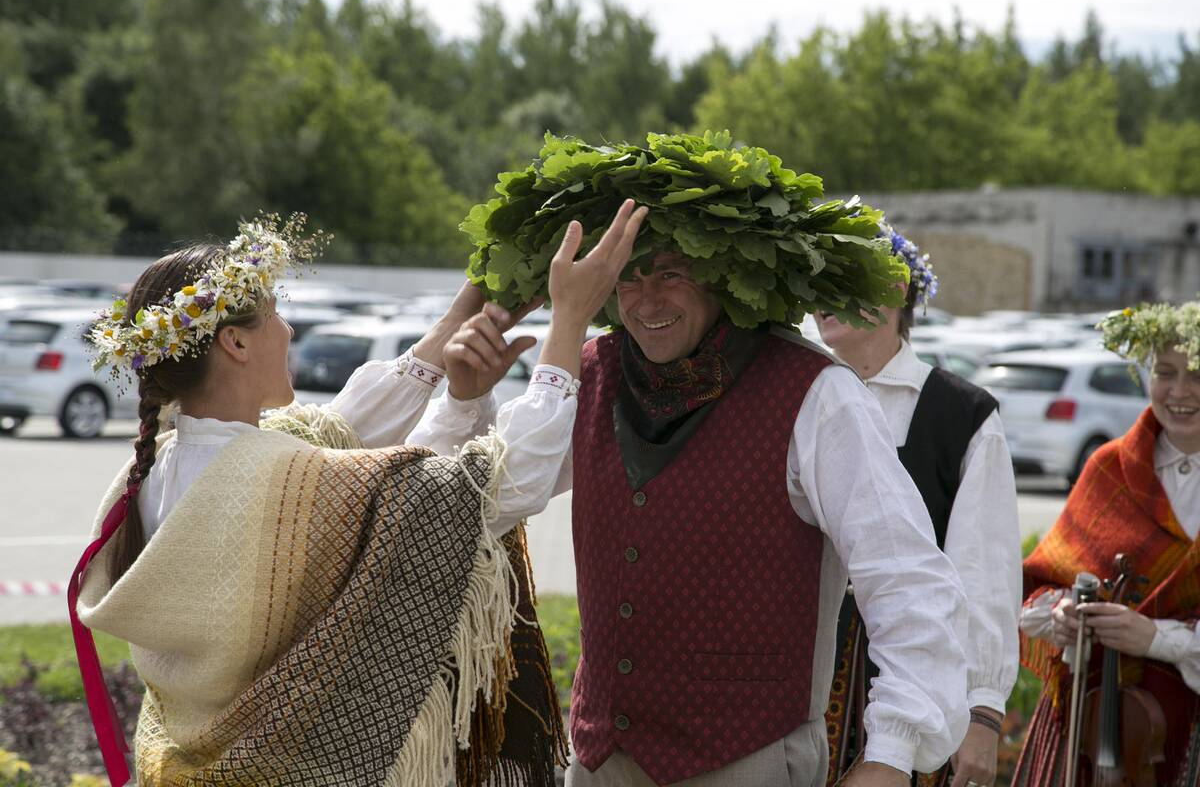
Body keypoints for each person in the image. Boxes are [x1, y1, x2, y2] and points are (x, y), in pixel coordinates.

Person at [422, 132, 971, 787]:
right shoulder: (590, 373)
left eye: (671, 273)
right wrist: (465, 399)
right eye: (628, 275)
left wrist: (892, 753)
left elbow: (905, 574)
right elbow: (481, 502)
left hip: (746, 759)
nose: (647, 299)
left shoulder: (816, 393)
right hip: (601, 761)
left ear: (726, 274)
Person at [70, 204, 647, 787]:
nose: (288, 330)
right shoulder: (282, 478)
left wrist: (460, 347)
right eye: (274, 315)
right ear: (235, 343)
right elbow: (500, 483)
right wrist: (568, 323)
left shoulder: (154, 469)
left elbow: (341, 437)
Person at [817, 224, 1021, 787]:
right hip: (800, 670)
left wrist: (982, 708)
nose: (823, 295)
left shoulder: (962, 414)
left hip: (913, 675)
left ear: (894, 288)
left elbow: (983, 567)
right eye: (818, 280)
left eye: (842, 278)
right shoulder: (796, 396)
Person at [1014, 301, 1200, 785]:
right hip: (1092, 724)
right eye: (1165, 372)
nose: (1180, 391)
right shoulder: (1108, 467)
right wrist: (1062, 615)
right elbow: (1040, 587)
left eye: (1197, 374)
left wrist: (1157, 639)